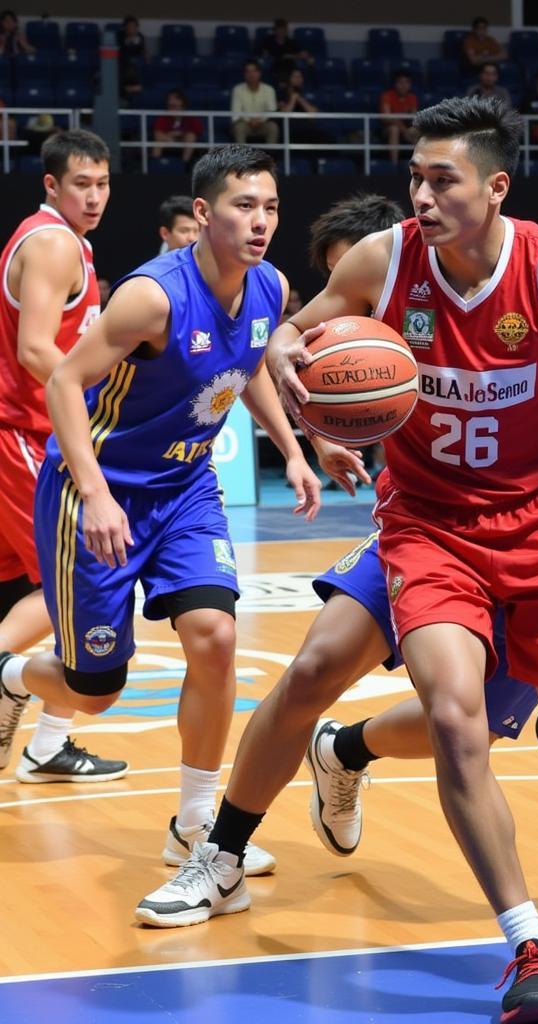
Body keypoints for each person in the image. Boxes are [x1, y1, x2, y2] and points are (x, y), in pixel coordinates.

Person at [136, 194, 538, 939]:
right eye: (345, 302)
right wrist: (315, 420)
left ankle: (351, 748)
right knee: (326, 671)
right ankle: (223, 853)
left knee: (518, 736)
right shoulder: (381, 342)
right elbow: (297, 356)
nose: (352, 324)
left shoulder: (513, 316)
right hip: (429, 524)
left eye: (361, 300)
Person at [267, 97, 538, 1022]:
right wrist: (299, 381)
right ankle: (529, 943)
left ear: (495, 186)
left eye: (441, 180)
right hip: (428, 524)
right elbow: (289, 335)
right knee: (457, 717)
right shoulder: (383, 261)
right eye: (414, 178)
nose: (420, 195)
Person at [0, 145, 322, 873]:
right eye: (244, 206)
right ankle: (12, 675)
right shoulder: (151, 295)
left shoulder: (270, 285)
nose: (261, 220)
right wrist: (97, 494)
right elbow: (61, 383)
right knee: (94, 692)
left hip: (185, 489)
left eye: (270, 206)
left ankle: (196, 819)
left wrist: (296, 450)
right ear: (204, 215)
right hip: (101, 489)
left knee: (214, 636)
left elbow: (247, 371)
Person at [0, 130, 125, 784]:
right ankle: (9, 687)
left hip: (19, 431)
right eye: (82, 184)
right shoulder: (52, 244)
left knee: (24, 591)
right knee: (66, 590)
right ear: (52, 185)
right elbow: (35, 350)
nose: (96, 196)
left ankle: (49, 744)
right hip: (25, 433)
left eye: (103, 184)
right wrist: (102, 403)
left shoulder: (59, 240)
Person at [231, 60, 280, 147]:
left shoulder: (269, 89)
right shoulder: (237, 89)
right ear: (244, 74)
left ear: (259, 73)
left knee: (273, 127)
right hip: (245, 123)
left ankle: (269, 158)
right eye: (248, 71)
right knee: (239, 127)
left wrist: (260, 120)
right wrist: (249, 120)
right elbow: (236, 113)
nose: (251, 74)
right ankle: (242, 159)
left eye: (254, 71)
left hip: (263, 123)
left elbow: (272, 110)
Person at [152, 89, 202, 166]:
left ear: (183, 102)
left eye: (175, 99)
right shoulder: (162, 118)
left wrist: (180, 134)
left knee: (190, 136)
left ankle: (185, 165)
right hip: (167, 142)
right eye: (170, 100)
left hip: (185, 143)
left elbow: (196, 133)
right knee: (157, 143)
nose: (171, 102)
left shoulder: (191, 118)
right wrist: (170, 137)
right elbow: (157, 135)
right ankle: (155, 165)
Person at [379, 70, 419, 164]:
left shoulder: (412, 97)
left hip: (405, 128)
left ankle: (419, 164)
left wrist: (410, 130)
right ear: (395, 84)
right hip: (387, 129)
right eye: (400, 82)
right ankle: (394, 164)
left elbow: (415, 117)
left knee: (417, 130)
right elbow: (386, 118)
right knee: (394, 129)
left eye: (407, 82)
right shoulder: (387, 95)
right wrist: (404, 130)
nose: (403, 85)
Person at [116, 15, 145, 98]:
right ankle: (125, 90)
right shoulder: (119, 37)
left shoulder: (140, 37)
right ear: (124, 28)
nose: (131, 29)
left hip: (134, 68)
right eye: (129, 26)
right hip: (121, 67)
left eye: (133, 26)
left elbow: (145, 54)